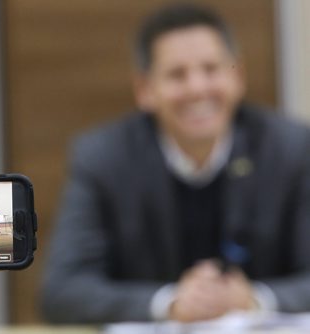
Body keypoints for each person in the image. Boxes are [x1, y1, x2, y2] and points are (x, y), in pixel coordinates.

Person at [41, 4, 310, 324]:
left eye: (211, 69)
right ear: (145, 90)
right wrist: (169, 303)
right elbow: (61, 291)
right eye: (177, 74)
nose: (197, 89)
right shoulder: (102, 158)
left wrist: (253, 298)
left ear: (238, 77)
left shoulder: (291, 148)